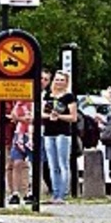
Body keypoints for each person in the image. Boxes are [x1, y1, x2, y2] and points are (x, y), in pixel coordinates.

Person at [41, 70, 77, 204]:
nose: (59, 82)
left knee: (63, 163)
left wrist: (59, 116)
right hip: (49, 132)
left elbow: (73, 117)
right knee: (52, 164)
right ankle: (55, 193)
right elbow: (43, 113)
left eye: (62, 80)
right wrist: (49, 116)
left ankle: (63, 194)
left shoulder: (69, 97)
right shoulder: (48, 96)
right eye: (57, 79)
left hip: (62, 133)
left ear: (66, 82)